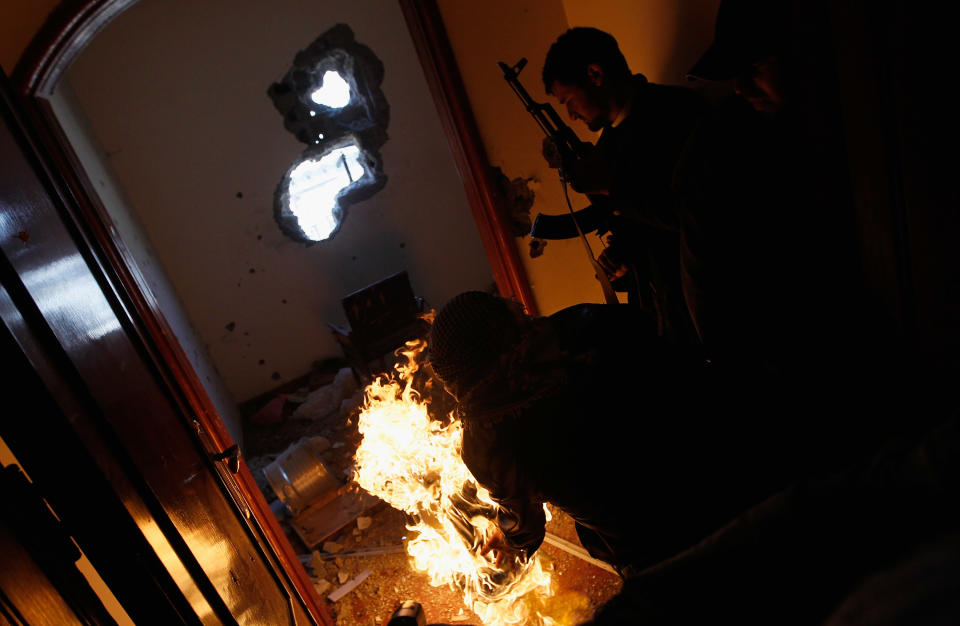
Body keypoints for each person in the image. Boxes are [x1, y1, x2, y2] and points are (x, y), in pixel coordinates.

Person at [426, 291, 870, 575]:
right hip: (744, 452)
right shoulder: (581, 324)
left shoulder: (489, 443)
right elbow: (679, 362)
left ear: (463, 381)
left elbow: (526, 531)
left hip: (660, 547)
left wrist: (504, 534)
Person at [540, 27, 705, 344]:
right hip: (670, 322)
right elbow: (642, 234)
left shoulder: (678, 112)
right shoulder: (608, 148)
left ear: (595, 74)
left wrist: (612, 187)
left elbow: (700, 215)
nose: (571, 114)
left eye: (569, 100)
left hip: (715, 306)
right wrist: (620, 263)